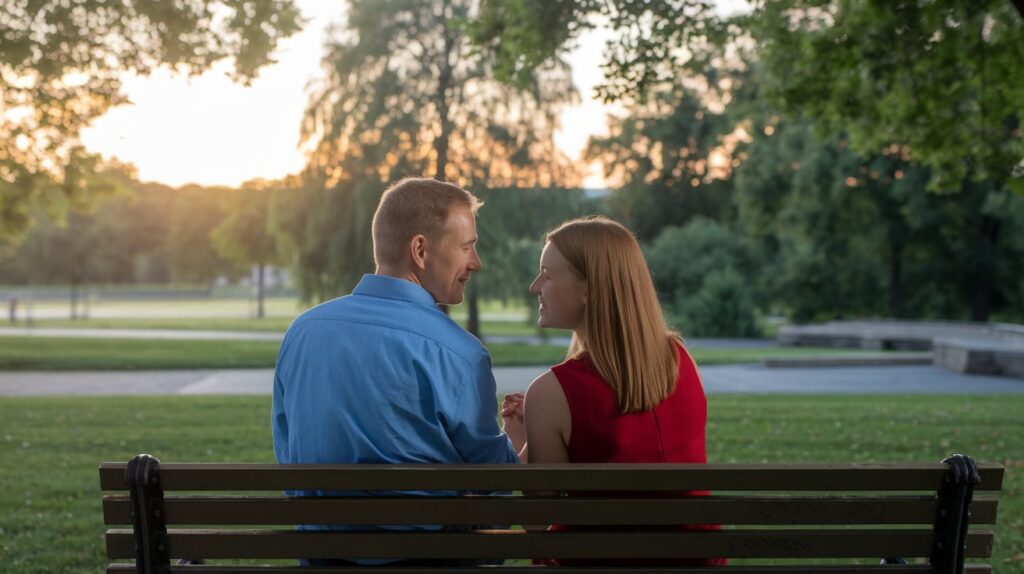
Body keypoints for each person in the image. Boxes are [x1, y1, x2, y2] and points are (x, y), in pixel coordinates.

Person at [272, 177, 525, 567]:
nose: (476, 263)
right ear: (420, 250)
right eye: (467, 247)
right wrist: (517, 435)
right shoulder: (460, 354)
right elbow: (494, 485)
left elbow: (290, 454)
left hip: (325, 561)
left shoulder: (303, 331)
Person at [501, 215, 725, 567]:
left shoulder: (551, 393)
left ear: (589, 288)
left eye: (547, 274)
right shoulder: (681, 359)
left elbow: (536, 520)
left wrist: (519, 441)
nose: (534, 286)